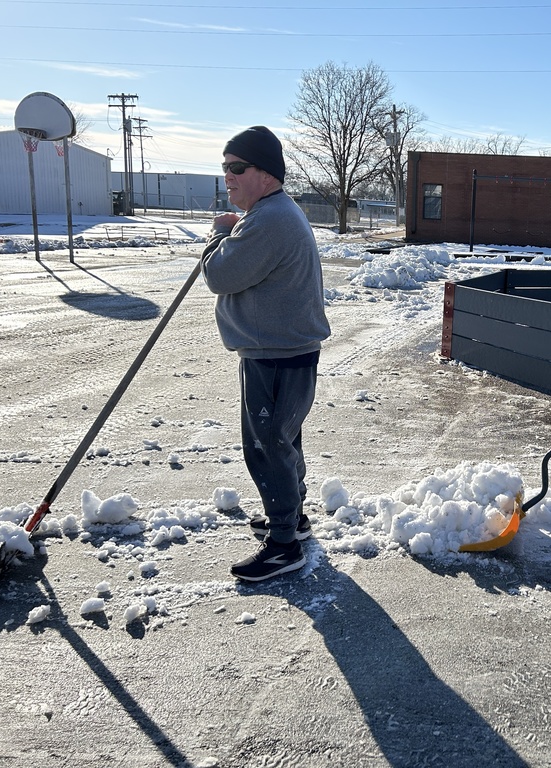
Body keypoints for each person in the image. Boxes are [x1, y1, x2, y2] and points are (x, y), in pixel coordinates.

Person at [201, 125, 331, 582]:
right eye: (224, 169)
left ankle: (283, 546)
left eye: (237, 168)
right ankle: (291, 520)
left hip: (276, 356)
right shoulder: (273, 214)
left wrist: (219, 236)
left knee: (267, 446)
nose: (228, 177)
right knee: (283, 439)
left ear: (266, 174)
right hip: (280, 352)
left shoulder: (271, 218)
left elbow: (222, 274)